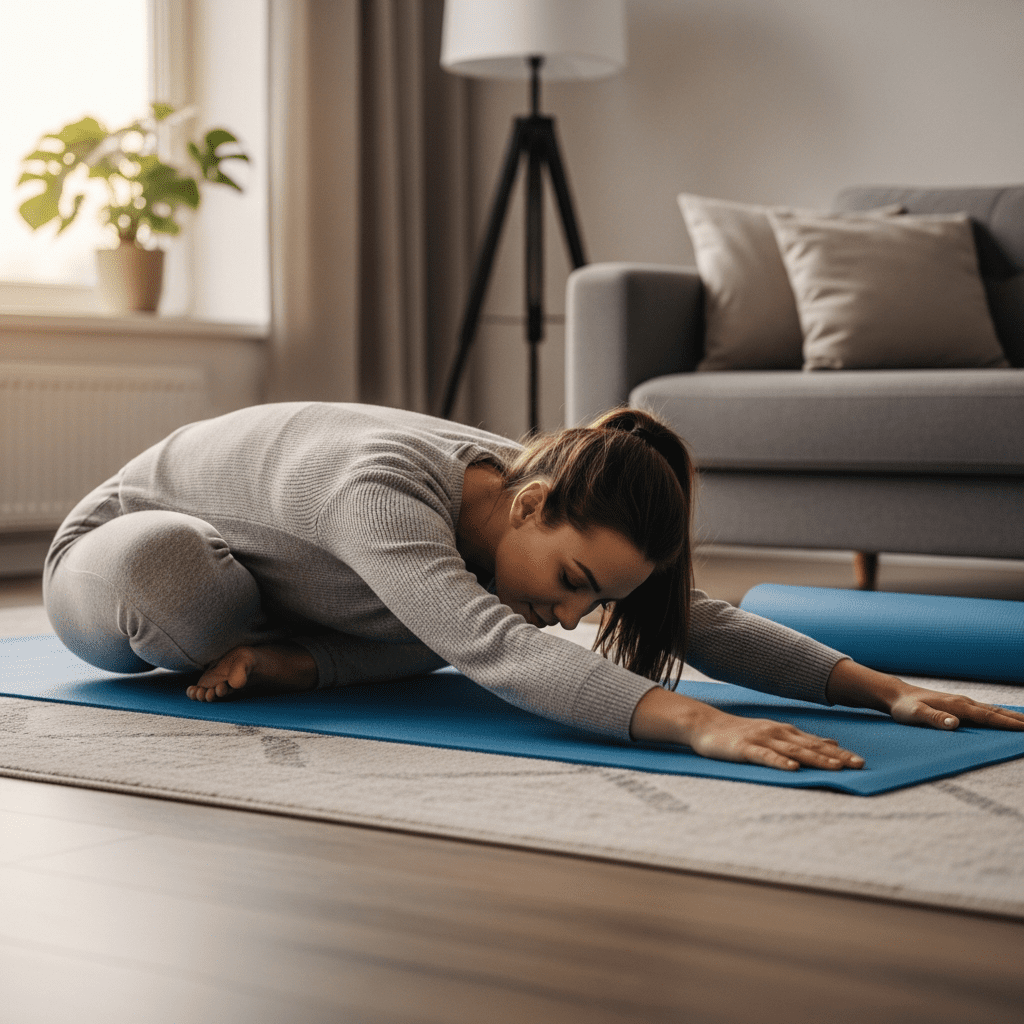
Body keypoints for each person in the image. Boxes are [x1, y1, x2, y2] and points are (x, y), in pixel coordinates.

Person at [44, 402, 1024, 772]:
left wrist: (879, 687)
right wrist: (701, 725)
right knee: (176, 585)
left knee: (446, 616)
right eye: (571, 581)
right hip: (117, 560)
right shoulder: (379, 485)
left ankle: (301, 655)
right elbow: (503, 651)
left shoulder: (527, 494)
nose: (570, 615)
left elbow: (696, 617)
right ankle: (305, 652)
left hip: (294, 593)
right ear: (530, 505)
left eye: (589, 603)